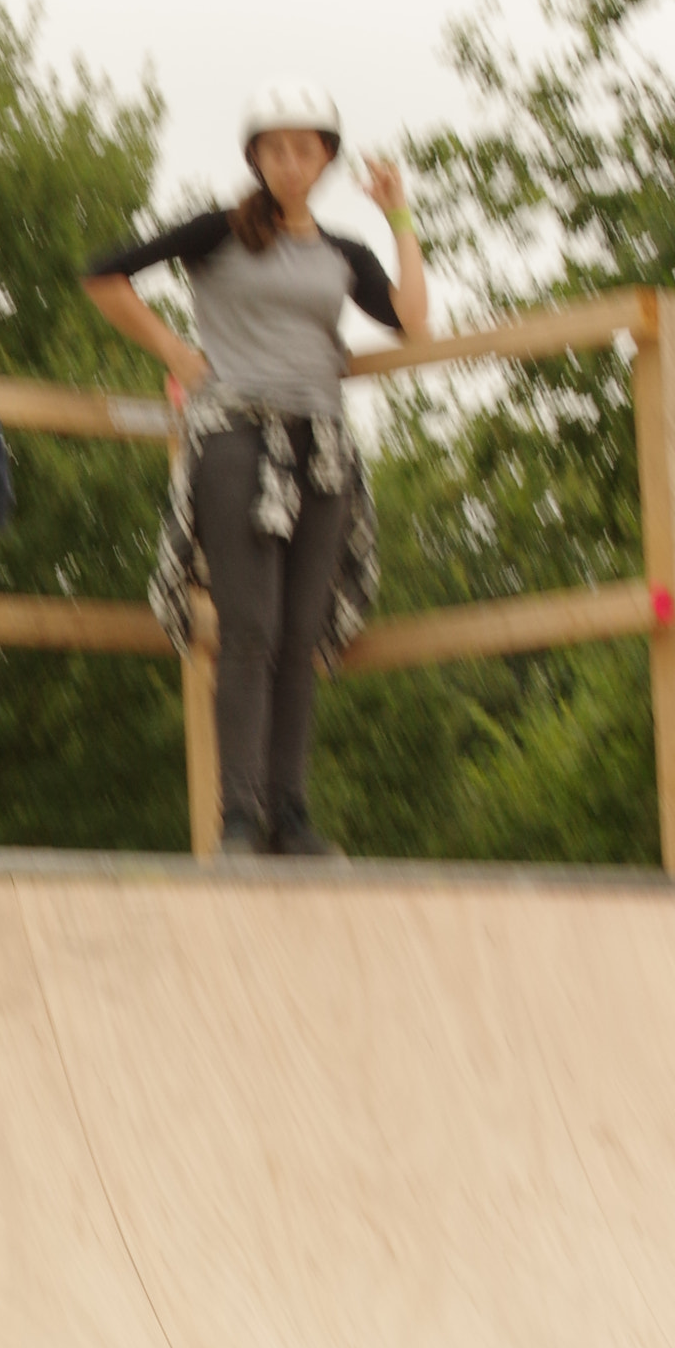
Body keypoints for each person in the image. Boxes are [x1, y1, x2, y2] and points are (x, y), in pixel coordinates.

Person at [80, 83, 429, 858]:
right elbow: (105, 274)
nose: (290, 163)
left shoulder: (343, 253)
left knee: (302, 635)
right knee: (250, 630)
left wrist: (398, 214)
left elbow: (412, 319)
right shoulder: (218, 233)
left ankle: (291, 817)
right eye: (275, 150)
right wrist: (174, 351)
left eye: (305, 150)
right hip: (237, 438)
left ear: (327, 160)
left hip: (323, 446)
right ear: (257, 160)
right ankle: (239, 817)